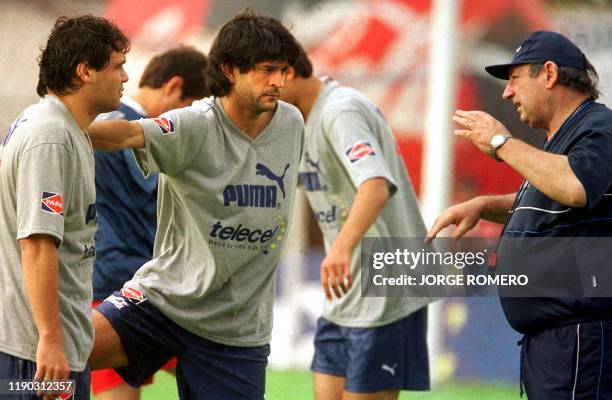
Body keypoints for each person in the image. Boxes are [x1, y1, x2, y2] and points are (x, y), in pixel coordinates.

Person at [86, 12, 304, 400]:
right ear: (230, 70)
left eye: (283, 70)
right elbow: (126, 133)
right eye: (267, 70)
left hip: (235, 330)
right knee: (52, 354)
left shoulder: (291, 122)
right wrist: (49, 128)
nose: (279, 82)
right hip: (161, 302)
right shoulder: (195, 124)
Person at [427, 30, 612, 399]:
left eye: (514, 79)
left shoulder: (599, 128)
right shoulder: (562, 138)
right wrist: (484, 205)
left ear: (548, 74)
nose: (506, 93)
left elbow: (575, 186)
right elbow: (553, 195)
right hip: (557, 342)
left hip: (580, 338)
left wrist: (500, 143)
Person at [280, 48, 431, 400]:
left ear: (285, 71)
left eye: (263, 75)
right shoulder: (298, 121)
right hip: (346, 290)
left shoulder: (340, 110)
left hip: (385, 283)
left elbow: (375, 185)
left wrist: (341, 249)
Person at [0, 15, 129, 400]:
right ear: (85, 70)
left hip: (53, 349)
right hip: (35, 357)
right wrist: (50, 341)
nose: (125, 78)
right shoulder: (50, 136)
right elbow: (37, 243)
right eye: (118, 66)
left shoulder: (63, 127)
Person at [91, 46, 208, 400]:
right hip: (116, 285)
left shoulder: (105, 124)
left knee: (214, 367)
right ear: (173, 88)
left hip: (143, 284)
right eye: (189, 111)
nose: (187, 125)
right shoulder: (124, 130)